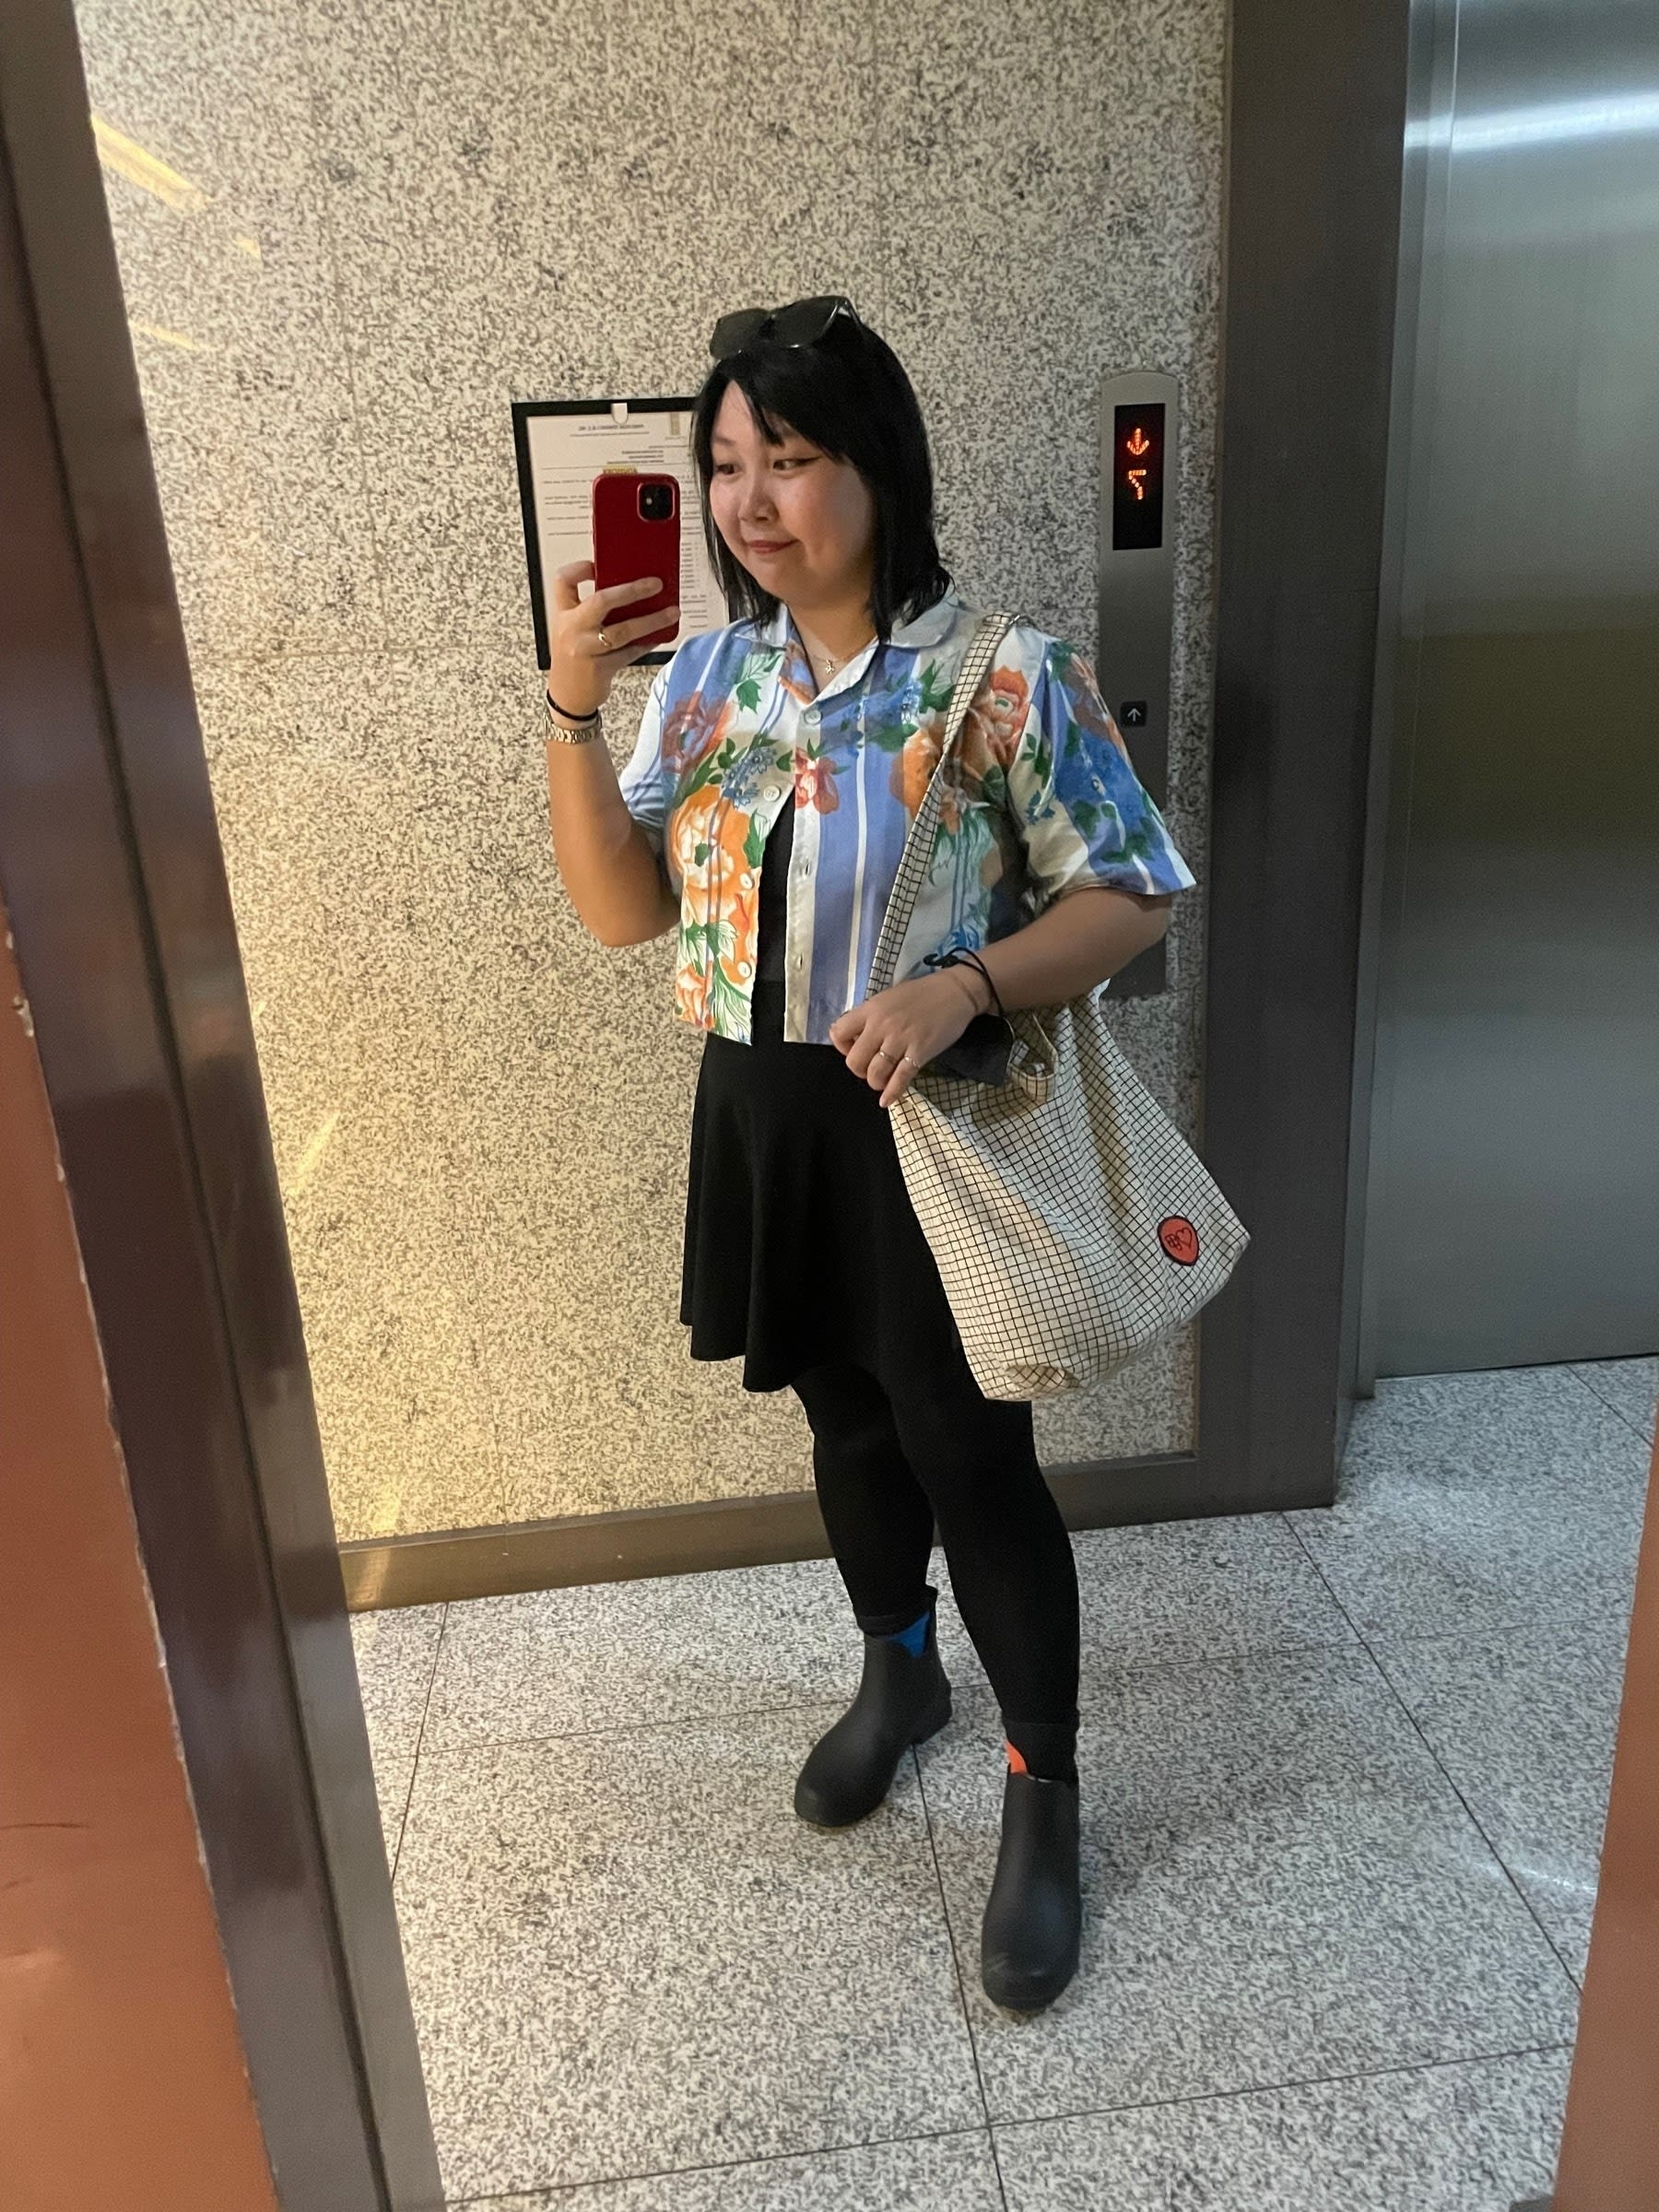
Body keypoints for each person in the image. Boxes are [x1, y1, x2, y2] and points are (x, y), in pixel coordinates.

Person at [537, 295, 1195, 2012]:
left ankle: (1043, 1794)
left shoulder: (1004, 678)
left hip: (931, 1123)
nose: (752, 501)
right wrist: (567, 707)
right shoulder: (704, 677)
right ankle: (898, 1675)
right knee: (841, 1412)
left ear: (878, 467)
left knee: (974, 1458)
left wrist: (964, 980)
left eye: (794, 457)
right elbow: (620, 916)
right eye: (728, 464)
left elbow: (1133, 895)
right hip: (764, 1114)